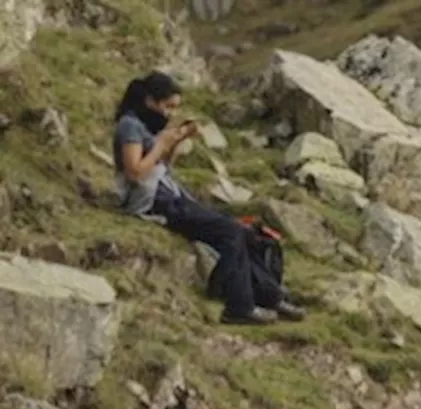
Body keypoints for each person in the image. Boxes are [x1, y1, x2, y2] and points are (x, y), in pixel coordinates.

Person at [112, 71, 305, 326]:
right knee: (230, 232)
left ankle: (270, 296)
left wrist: (174, 143)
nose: (169, 114)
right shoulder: (129, 126)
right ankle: (239, 307)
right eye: (167, 106)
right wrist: (160, 145)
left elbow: (160, 167)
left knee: (243, 230)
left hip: (171, 195)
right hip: (155, 202)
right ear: (150, 101)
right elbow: (135, 172)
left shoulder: (146, 126)